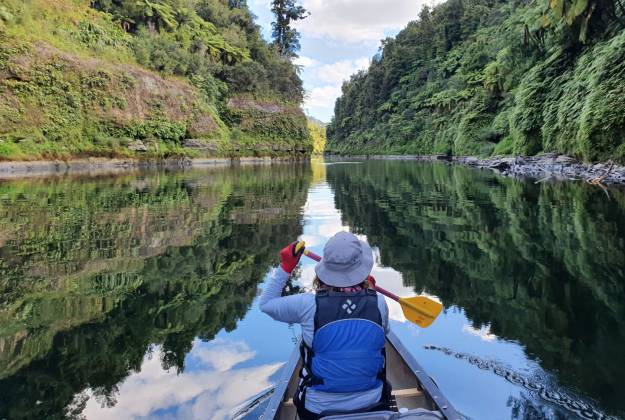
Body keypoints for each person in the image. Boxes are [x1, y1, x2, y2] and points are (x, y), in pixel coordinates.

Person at [260, 232, 391, 419]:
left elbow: (266, 304)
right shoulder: (379, 302)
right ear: (362, 269)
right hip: (372, 404)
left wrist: (286, 267)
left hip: (317, 411)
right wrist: (368, 292)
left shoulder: (307, 305)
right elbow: (381, 335)